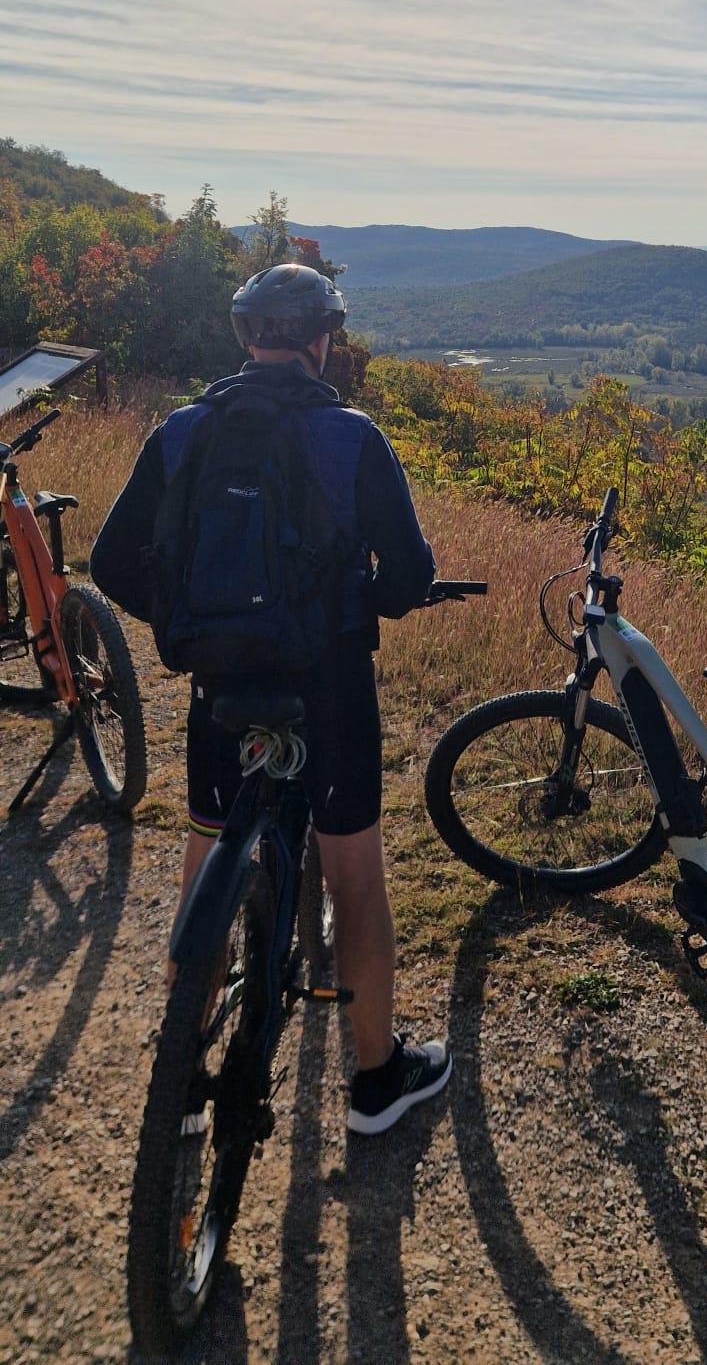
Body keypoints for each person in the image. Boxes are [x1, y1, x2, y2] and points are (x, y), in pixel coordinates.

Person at [91, 262, 449, 1136]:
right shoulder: (353, 437)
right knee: (356, 874)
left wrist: (185, 625)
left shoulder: (182, 431)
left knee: (206, 853)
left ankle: (182, 1078)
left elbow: (108, 565)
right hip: (326, 687)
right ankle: (375, 1082)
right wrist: (356, 598)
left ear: (246, 338)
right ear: (323, 340)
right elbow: (410, 580)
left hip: (220, 682)